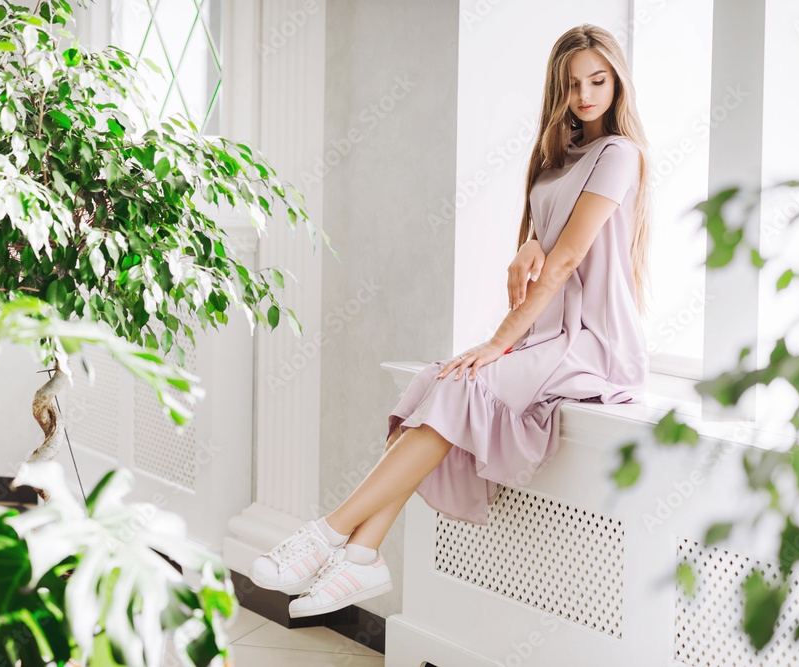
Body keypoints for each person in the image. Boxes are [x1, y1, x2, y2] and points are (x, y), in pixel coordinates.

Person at [249, 23, 654, 619]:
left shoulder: (619, 154)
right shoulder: (559, 157)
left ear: (617, 82)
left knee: (464, 383)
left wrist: (498, 340)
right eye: (573, 84)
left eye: (598, 81)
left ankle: (330, 533)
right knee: (437, 381)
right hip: (549, 334)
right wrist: (530, 244)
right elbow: (553, 239)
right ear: (559, 89)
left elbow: (569, 260)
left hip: (595, 340)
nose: (586, 95)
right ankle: (361, 556)